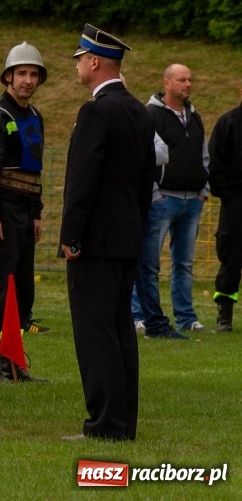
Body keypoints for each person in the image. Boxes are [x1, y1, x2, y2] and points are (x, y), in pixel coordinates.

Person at [60, 24, 155, 441]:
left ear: (94, 61)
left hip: (95, 242)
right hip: (127, 237)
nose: (78, 65)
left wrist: (71, 236)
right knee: (119, 332)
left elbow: (82, 181)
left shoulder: (96, 111)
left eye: (80, 58)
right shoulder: (137, 109)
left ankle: (103, 425)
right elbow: (144, 181)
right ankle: (122, 423)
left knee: (95, 333)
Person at [0, 42, 48, 383]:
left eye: (33, 74)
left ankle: (12, 360)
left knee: (20, 289)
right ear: (8, 77)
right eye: (22, 74)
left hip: (23, 211)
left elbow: (34, 171)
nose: (28, 80)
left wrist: (36, 213)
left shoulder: (34, 117)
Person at [135, 64, 209, 339]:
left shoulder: (194, 115)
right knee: (147, 263)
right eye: (182, 80)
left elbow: (203, 154)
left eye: (190, 79)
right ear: (167, 83)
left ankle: (186, 318)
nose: (188, 84)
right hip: (162, 199)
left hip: (192, 201)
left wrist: (204, 188)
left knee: (184, 263)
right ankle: (140, 316)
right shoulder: (150, 114)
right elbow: (145, 155)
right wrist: (155, 190)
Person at [208, 91, 242, 333]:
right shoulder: (228, 122)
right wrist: (228, 197)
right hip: (235, 203)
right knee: (232, 256)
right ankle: (225, 313)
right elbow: (215, 163)